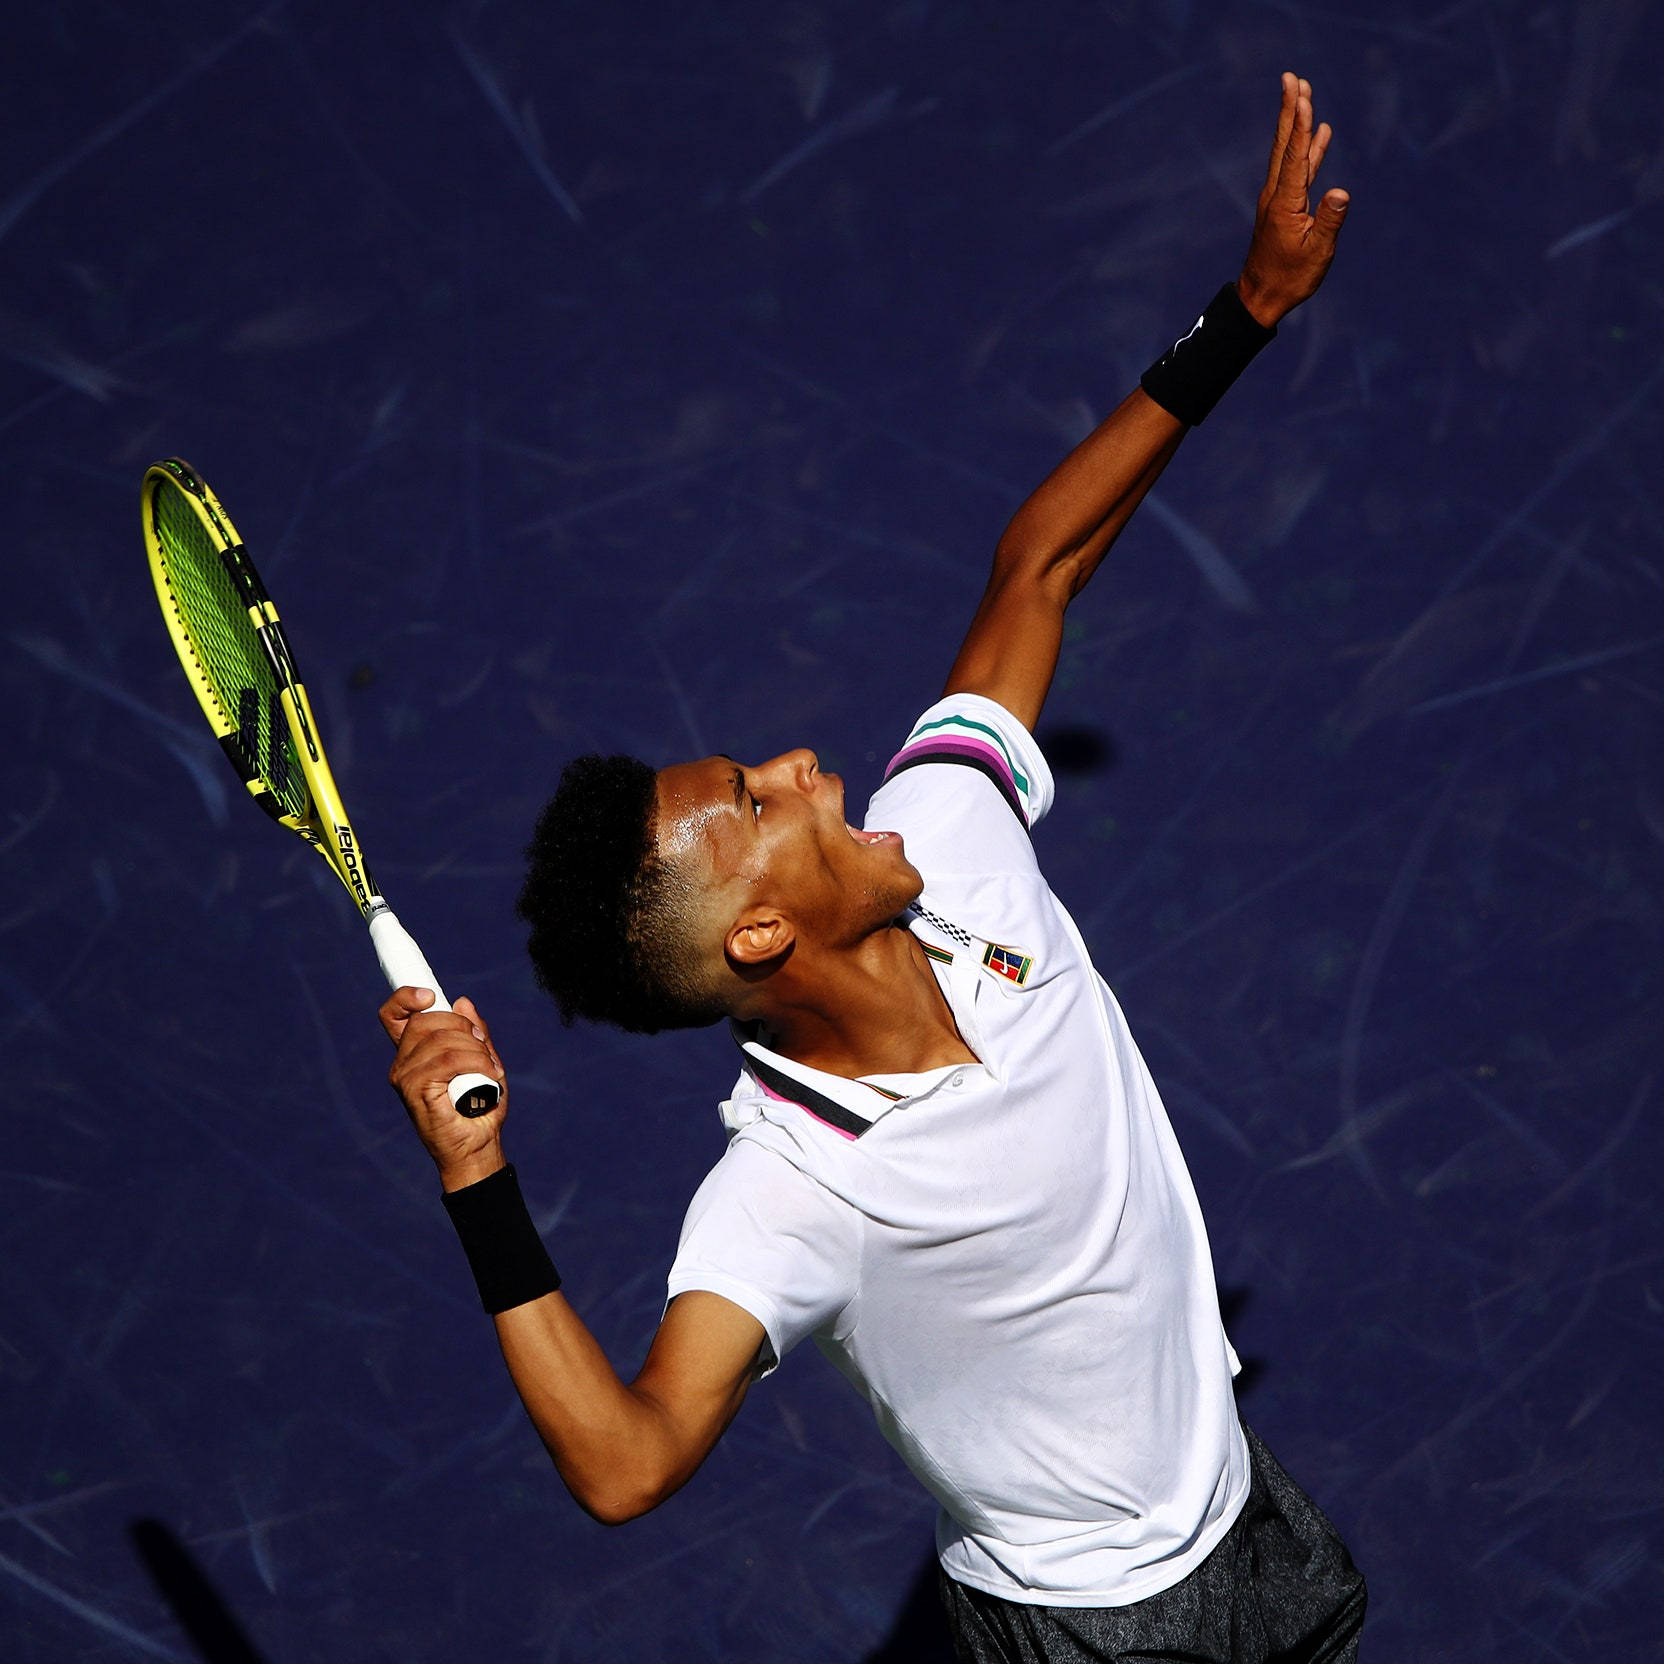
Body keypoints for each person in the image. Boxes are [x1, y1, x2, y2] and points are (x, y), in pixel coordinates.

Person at [383, 72, 1364, 1663]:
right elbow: (627, 1469)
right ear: (763, 935)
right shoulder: (794, 1194)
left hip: (1240, 1509)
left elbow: (1034, 565)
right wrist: (476, 1182)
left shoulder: (951, 836)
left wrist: (1243, 312)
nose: (801, 764)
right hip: (1089, 1639)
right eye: (761, 799)